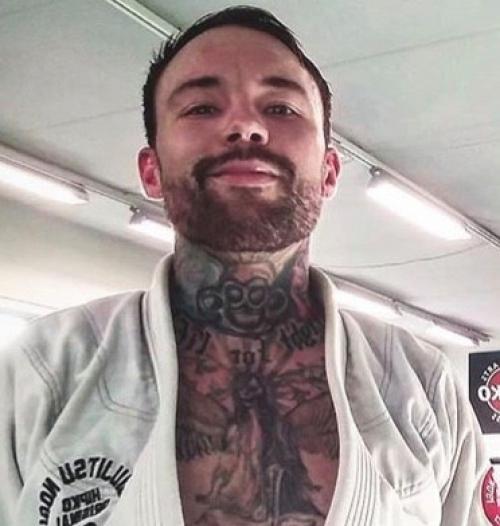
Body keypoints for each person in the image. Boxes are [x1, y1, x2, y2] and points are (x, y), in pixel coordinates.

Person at [0, 6, 490, 526]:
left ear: (329, 171)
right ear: (152, 170)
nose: (246, 126)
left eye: (280, 108)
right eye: (201, 107)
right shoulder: (43, 371)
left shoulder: (421, 386)